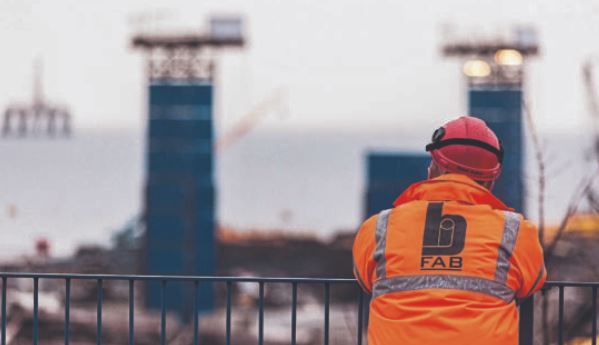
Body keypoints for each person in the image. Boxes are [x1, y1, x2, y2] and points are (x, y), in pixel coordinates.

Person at [353, 116, 546, 345]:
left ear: (432, 170)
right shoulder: (515, 231)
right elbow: (531, 283)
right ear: (490, 182)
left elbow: (366, 280)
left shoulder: (378, 227)